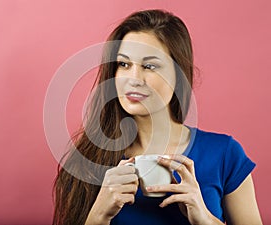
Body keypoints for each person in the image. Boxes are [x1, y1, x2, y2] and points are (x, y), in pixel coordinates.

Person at [52, 9, 262, 225]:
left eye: (149, 66)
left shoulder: (225, 154)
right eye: (124, 64)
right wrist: (99, 215)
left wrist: (205, 218)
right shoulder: (87, 159)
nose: (133, 79)